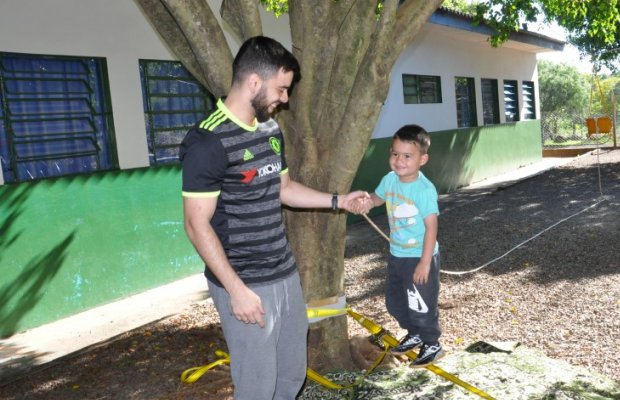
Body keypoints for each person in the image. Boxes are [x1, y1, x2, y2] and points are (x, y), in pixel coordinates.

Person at [180, 36, 369, 399]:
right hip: (246, 283)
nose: (285, 98)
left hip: (284, 274)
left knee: (291, 377)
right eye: (281, 89)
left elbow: (284, 188)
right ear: (254, 81)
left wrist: (339, 201)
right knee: (257, 388)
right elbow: (195, 224)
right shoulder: (208, 141)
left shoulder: (269, 129)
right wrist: (236, 291)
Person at [368, 124, 443, 368]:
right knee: (395, 301)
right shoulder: (390, 180)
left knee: (421, 303)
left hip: (419, 256)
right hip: (397, 254)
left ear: (422, 159)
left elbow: (431, 226)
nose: (399, 160)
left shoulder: (424, 189)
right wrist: (365, 202)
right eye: (395, 153)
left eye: (407, 156)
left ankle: (432, 342)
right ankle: (415, 332)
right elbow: (377, 198)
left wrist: (425, 262)